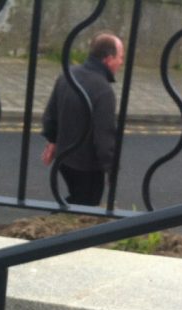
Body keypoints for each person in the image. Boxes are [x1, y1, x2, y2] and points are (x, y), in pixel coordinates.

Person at [41, 33, 125, 206]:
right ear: (109, 59)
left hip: (64, 158)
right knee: (86, 205)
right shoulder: (103, 90)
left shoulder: (68, 74)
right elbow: (105, 136)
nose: (121, 62)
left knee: (76, 199)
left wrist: (52, 141)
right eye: (120, 57)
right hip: (87, 166)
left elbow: (51, 113)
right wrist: (112, 170)